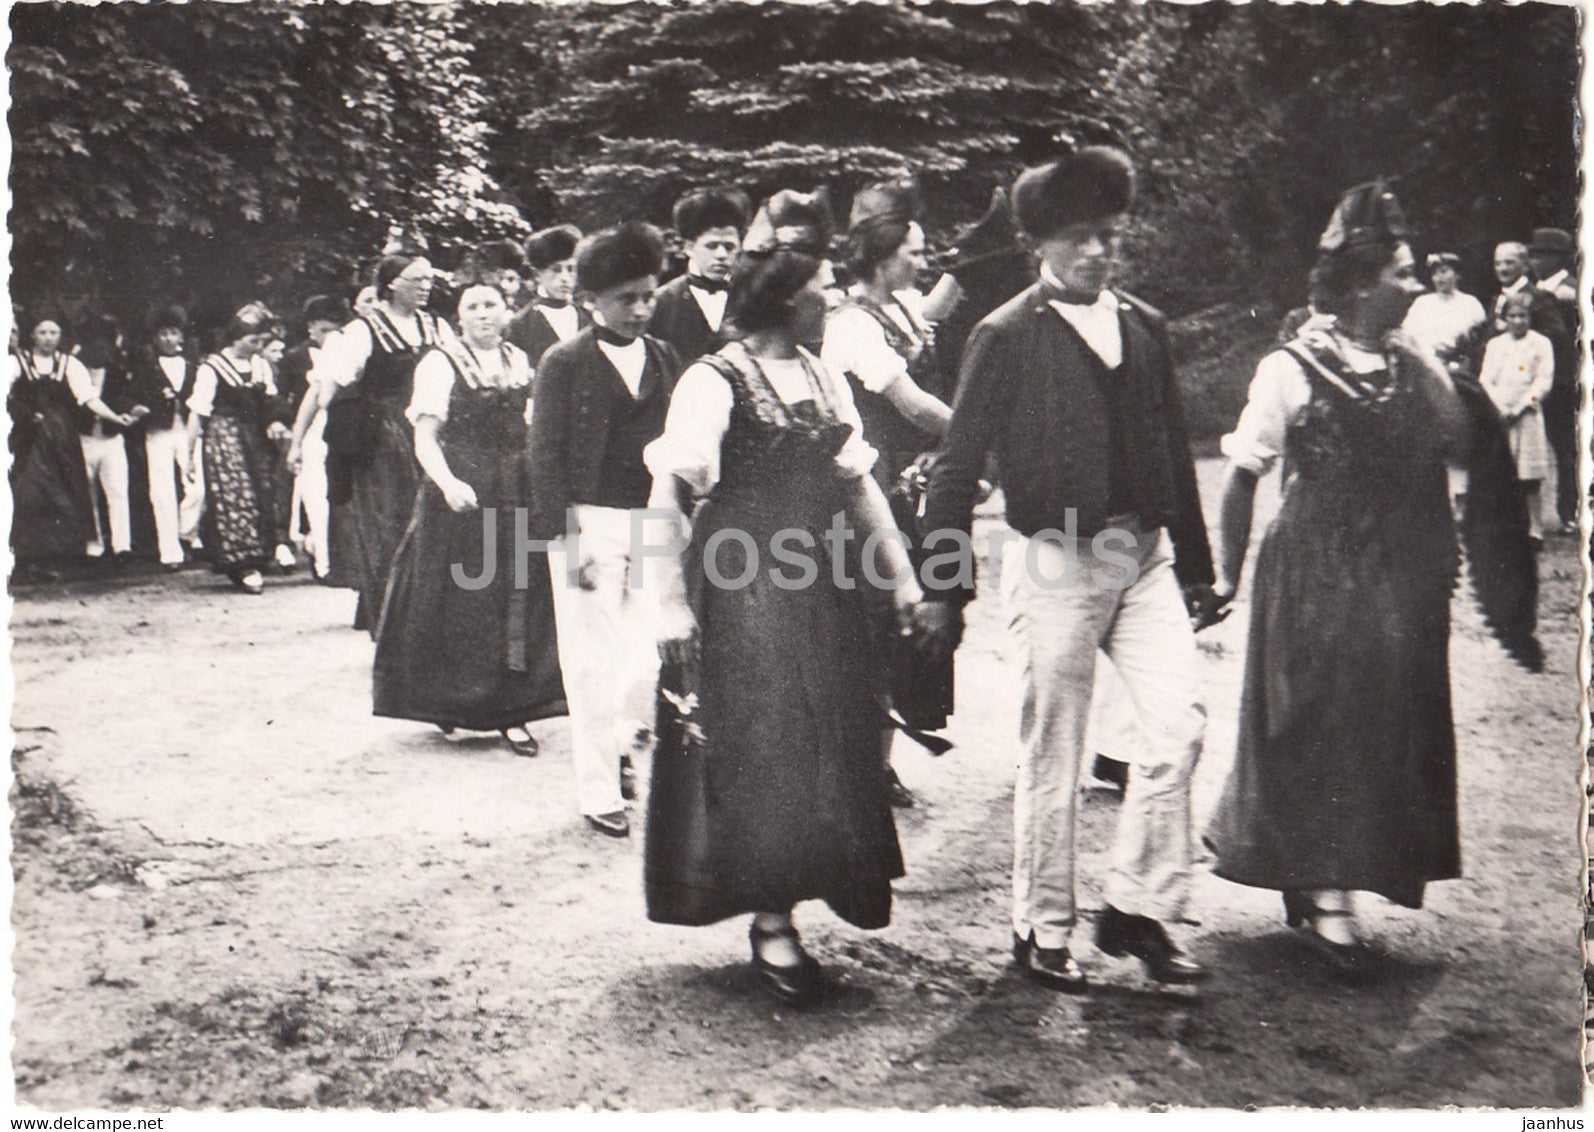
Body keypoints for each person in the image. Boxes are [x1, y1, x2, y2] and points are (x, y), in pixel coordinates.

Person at [1203, 183, 1537, 976]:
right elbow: (1244, 473)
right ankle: (1325, 901)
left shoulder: (1409, 362)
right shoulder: (1289, 368)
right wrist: (1225, 574)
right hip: (1313, 568)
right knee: (1318, 719)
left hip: (1393, 572)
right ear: (1359, 285)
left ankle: (1330, 878)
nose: (1418, 285)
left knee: (1385, 723)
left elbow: (1460, 442)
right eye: (1403, 272)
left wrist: (1424, 362)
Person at [915, 146, 1219, 992]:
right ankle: (1040, 929)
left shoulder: (1145, 327)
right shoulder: (1005, 334)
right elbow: (954, 464)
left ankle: (1137, 909)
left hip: (1144, 557)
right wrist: (945, 585)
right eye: (1080, 237)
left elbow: (1171, 453)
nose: (1097, 252)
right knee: (1055, 753)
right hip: (1055, 562)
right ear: (1040, 243)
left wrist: (1195, 566)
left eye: (1109, 236)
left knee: (1179, 729)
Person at [644, 232, 916, 1005]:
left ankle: (828, 880)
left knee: (837, 730)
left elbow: (860, 485)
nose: (831, 302)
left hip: (824, 587)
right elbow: (670, 495)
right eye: (821, 290)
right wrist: (666, 602)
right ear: (782, 301)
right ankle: (771, 920)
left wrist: (901, 579)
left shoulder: (827, 374)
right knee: (768, 742)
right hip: (744, 589)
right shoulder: (713, 380)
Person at [528, 223, 684, 838]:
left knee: (645, 658)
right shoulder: (563, 363)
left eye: (649, 295)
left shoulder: (667, 358)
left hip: (653, 522)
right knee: (591, 664)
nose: (641, 309)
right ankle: (598, 791)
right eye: (627, 298)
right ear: (591, 299)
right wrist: (565, 540)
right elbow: (543, 457)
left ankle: (623, 742)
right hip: (587, 523)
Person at [373, 283, 567, 752]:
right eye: (473, 307)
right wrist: (448, 483)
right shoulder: (440, 362)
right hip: (462, 491)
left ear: (506, 313)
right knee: (462, 594)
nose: (483, 314)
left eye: (491, 305)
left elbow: (534, 426)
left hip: (515, 487)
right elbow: (425, 438)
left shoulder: (521, 360)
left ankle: (514, 710)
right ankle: (450, 701)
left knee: (518, 590)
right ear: (459, 318)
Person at [820, 180, 955, 807]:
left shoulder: (900, 308)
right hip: (880, 485)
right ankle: (861, 764)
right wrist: (979, 434)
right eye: (914, 252)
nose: (923, 261)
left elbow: (936, 312)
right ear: (883, 258)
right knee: (877, 624)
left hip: (921, 479)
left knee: (918, 621)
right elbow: (912, 403)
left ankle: (880, 760)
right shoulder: (850, 324)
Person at [314, 252, 449, 632]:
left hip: (430, 428)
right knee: (388, 524)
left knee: (430, 520)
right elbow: (338, 382)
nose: (425, 286)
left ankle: (425, 616)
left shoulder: (436, 326)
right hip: (383, 439)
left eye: (428, 280)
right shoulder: (364, 330)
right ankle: (389, 621)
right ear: (391, 284)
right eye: (416, 279)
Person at [184, 304, 286, 594]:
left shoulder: (261, 365)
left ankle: (264, 553)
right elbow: (198, 412)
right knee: (235, 495)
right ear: (236, 337)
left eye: (261, 342)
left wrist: (276, 421)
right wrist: (189, 454)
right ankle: (242, 563)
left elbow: (271, 402)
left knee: (263, 490)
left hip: (255, 436)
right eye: (253, 340)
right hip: (224, 437)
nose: (258, 346)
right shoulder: (212, 367)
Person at [7, 316, 98, 579]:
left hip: (60, 438)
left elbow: (88, 398)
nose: (48, 337)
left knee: (63, 492)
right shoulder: (15, 363)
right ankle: (28, 559)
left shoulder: (69, 364)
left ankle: (56, 557)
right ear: (32, 335)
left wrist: (115, 417)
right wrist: (22, 413)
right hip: (28, 437)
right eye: (42, 332)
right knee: (29, 493)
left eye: (54, 332)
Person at [127, 306, 201, 570]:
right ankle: (170, 551)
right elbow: (133, 397)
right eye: (163, 334)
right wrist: (145, 407)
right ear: (156, 338)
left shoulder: (194, 365)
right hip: (159, 431)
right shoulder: (146, 367)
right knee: (162, 490)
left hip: (189, 430)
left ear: (181, 336)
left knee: (198, 488)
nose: (169, 339)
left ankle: (187, 532)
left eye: (174, 333)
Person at [1478, 292, 1556, 544]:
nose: (1518, 321)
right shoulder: (1496, 345)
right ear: (1504, 319)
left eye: (1523, 316)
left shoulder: (1541, 343)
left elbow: (1544, 380)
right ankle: (1504, 528)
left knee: (1529, 475)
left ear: (1530, 317)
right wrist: (1500, 407)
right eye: (1512, 316)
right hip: (1500, 412)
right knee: (1502, 471)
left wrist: (1522, 406)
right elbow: (1485, 380)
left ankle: (1535, 527)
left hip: (1527, 413)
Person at [282, 295, 350, 579]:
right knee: (316, 495)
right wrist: (296, 441)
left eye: (323, 329)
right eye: (314, 329)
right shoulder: (300, 357)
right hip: (319, 426)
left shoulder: (349, 344)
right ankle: (324, 563)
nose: (317, 335)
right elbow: (312, 398)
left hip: (346, 427)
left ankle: (330, 556)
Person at [649, 188, 750, 362]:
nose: (721, 255)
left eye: (729, 246)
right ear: (689, 247)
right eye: (711, 245)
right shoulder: (660, 302)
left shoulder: (753, 297)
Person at [74, 316, 143, 565]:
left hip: (111, 439)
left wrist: (130, 411)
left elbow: (124, 397)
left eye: (105, 345)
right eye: (96, 345)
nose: (102, 350)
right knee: (88, 493)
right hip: (84, 439)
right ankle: (94, 545)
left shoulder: (116, 372)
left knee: (117, 490)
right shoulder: (74, 371)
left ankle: (121, 545)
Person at [1527, 227, 1578, 533]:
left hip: (1561, 379)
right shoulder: (1533, 291)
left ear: (1557, 259)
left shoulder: (1572, 289)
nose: (1535, 260)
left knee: (1564, 446)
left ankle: (1569, 511)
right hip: (1535, 377)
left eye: (1541, 254)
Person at [505, 225, 585, 367]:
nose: (565, 278)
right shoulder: (521, 325)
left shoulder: (587, 317)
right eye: (556, 270)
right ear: (537, 275)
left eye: (571, 269)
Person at [1403, 253, 1488, 379]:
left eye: (1443, 271)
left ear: (1457, 274)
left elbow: (1478, 342)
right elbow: (1407, 335)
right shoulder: (1422, 303)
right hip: (1424, 365)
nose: (1439, 278)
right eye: (1434, 274)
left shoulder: (1470, 303)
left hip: (1458, 368)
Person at [1490, 240, 1533, 330]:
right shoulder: (1497, 298)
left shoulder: (1538, 296)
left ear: (1525, 265)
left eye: (1509, 263)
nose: (1502, 269)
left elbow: (1555, 335)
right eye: (1497, 264)